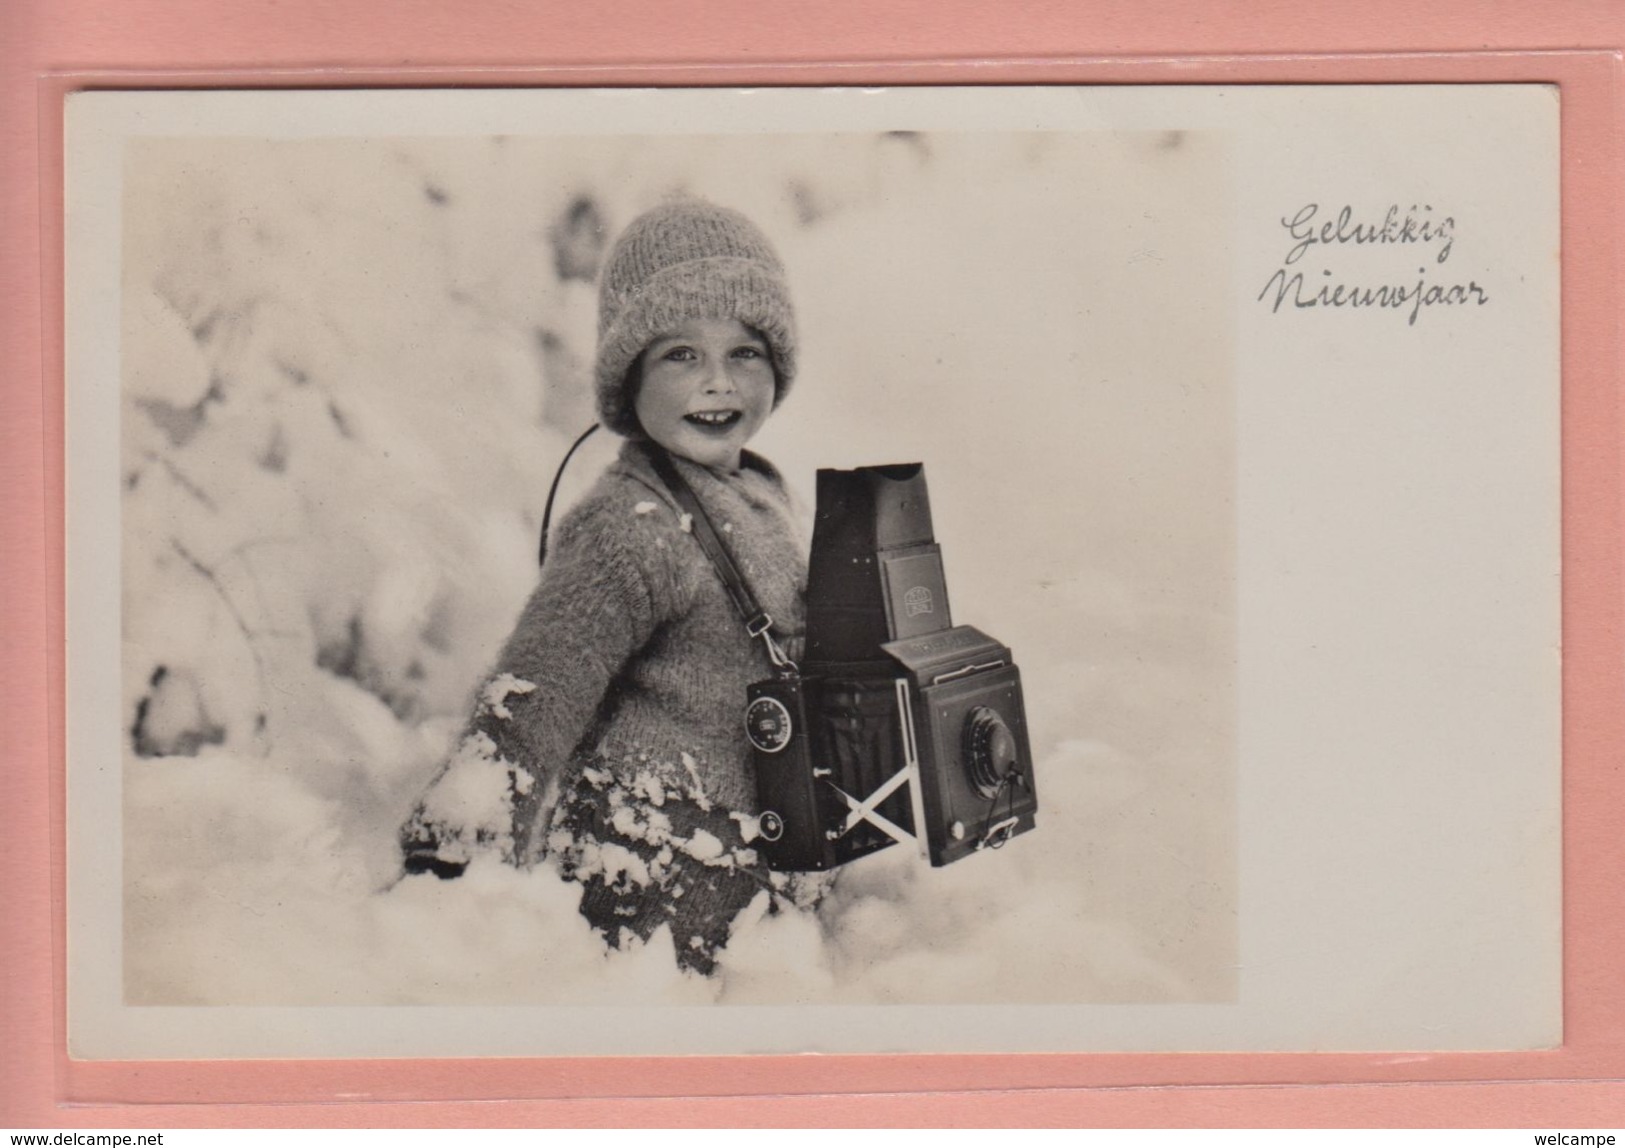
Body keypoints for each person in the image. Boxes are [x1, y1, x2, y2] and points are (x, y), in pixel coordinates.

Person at [400, 197, 817, 975]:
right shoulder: (630, 524)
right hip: (649, 898)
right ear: (629, 377)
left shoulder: (766, 496)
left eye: (745, 353)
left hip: (764, 884)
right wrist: (448, 863)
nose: (717, 384)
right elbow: (537, 693)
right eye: (680, 355)